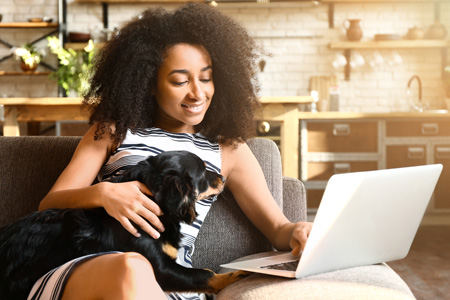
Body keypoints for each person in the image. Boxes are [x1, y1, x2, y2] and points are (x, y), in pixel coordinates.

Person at [30, 3, 312, 300]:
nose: (197, 93)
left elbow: (277, 228)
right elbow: (50, 204)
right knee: (131, 266)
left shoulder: (229, 149)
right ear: (149, 83)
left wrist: (298, 232)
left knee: (137, 270)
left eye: (206, 78)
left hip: (169, 283)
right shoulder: (113, 131)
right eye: (180, 81)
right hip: (88, 274)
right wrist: (105, 194)